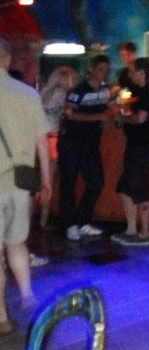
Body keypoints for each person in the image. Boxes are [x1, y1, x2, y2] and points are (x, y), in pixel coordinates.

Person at [0, 37, 51, 333]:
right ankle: (27, 294)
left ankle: (2, 316)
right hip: (21, 183)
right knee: (17, 242)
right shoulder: (27, 93)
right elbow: (42, 141)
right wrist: (46, 180)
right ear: (7, 59)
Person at [58, 54, 112, 241]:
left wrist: (106, 121)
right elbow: (69, 114)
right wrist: (97, 118)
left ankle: (82, 220)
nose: (104, 73)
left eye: (106, 70)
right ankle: (70, 224)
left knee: (96, 182)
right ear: (92, 70)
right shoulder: (79, 90)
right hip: (71, 142)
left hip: (90, 144)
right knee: (69, 183)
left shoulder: (105, 91)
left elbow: (105, 114)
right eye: (100, 70)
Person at [110, 57, 149, 246]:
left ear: (142, 72)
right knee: (126, 187)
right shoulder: (137, 90)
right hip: (136, 145)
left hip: (143, 146)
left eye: (132, 71)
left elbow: (140, 118)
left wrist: (122, 119)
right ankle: (131, 230)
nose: (129, 74)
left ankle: (144, 232)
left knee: (139, 187)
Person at [38, 65, 78, 229]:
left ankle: (41, 219)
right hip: (51, 138)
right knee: (48, 178)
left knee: (44, 177)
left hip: (44, 137)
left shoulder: (46, 93)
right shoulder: (58, 94)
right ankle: (43, 220)